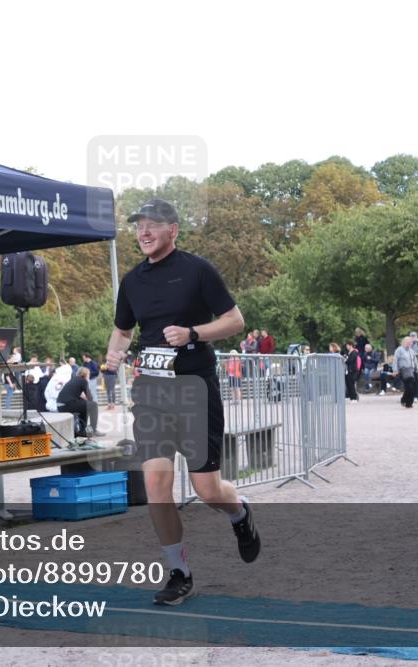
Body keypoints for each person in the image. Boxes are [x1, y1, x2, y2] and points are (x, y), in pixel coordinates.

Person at [106, 197, 258, 607]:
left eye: (152, 225)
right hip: (152, 393)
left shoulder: (199, 270)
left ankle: (239, 513)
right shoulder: (133, 281)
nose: (143, 232)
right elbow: (122, 330)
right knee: (156, 483)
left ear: (173, 229)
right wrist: (113, 354)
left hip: (194, 388)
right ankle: (179, 572)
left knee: (207, 489)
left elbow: (235, 321)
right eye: (138, 226)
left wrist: (193, 333)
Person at [57, 367, 104, 437]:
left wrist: (84, 399)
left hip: (60, 405)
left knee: (84, 405)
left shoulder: (73, 379)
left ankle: (83, 431)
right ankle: (93, 429)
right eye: (89, 374)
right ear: (86, 374)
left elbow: (71, 395)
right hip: (68, 404)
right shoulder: (83, 381)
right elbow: (90, 398)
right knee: (94, 405)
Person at [393, 336, 418, 408]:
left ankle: (406, 401)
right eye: (408, 343)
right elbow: (395, 360)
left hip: (411, 370)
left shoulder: (411, 351)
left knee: (411, 387)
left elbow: (415, 361)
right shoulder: (399, 350)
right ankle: (407, 402)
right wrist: (395, 370)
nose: (409, 344)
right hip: (403, 370)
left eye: (410, 343)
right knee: (409, 387)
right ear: (404, 342)